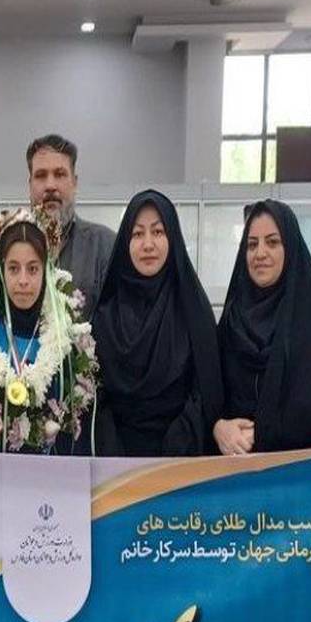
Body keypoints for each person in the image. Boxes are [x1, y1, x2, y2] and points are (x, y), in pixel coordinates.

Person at [0, 212, 95, 455]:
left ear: (45, 270)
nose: (23, 280)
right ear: (1, 270)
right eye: (14, 268)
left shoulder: (65, 337)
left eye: (33, 269)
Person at [92, 189, 223, 457]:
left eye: (158, 232)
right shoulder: (105, 315)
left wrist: (174, 449)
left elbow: (205, 390)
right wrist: (115, 455)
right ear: (125, 242)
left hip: (180, 459)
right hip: (115, 462)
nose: (148, 244)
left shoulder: (193, 310)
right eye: (138, 234)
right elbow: (97, 395)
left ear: (172, 237)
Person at [214, 200, 311, 454]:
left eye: (272, 242)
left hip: (293, 469)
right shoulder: (230, 321)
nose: (260, 253)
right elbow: (211, 394)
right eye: (252, 244)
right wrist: (219, 427)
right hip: (232, 467)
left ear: (289, 248)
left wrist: (261, 434)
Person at [26, 133, 116, 320]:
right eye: (41, 176)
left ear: (74, 183)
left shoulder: (104, 246)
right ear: (30, 185)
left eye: (59, 174)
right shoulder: (8, 247)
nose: (50, 185)